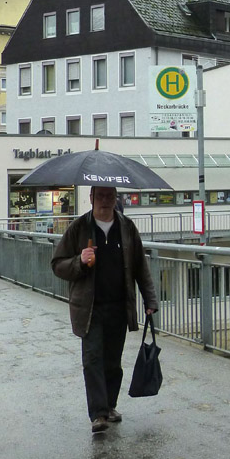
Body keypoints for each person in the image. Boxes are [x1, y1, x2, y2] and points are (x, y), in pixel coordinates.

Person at [51, 186, 159, 434]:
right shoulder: (79, 228)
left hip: (119, 307)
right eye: (100, 196)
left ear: (116, 199)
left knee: (112, 362)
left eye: (110, 196)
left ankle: (110, 405)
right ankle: (98, 413)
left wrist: (150, 300)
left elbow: (140, 266)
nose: (105, 201)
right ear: (91, 199)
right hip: (89, 308)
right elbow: (57, 265)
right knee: (92, 360)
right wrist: (80, 260)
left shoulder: (127, 228)